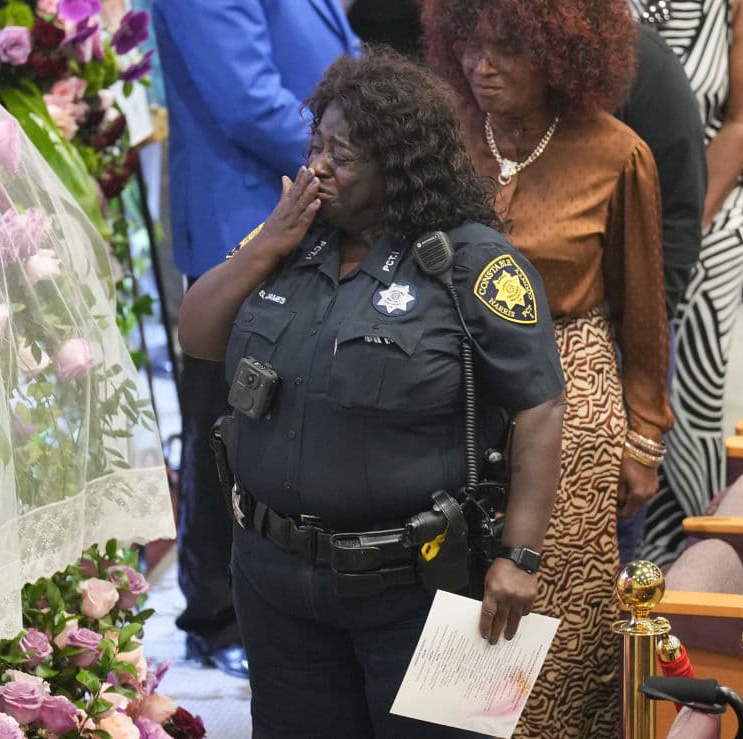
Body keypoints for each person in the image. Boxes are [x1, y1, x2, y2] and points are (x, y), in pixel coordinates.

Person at [179, 48, 566, 738]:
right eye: (317, 145)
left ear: (399, 165)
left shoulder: (474, 263)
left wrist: (520, 554)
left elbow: (540, 405)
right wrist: (268, 241)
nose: (319, 166)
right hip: (275, 578)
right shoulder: (290, 242)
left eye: (345, 155)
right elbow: (198, 335)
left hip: (432, 581)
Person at [422, 0, 675, 735]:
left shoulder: (617, 153)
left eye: (509, 48)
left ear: (564, 54)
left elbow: (644, 311)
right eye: (470, 44)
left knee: (553, 610)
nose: (482, 64)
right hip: (454, 389)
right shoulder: (441, 142)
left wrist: (645, 437)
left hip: (572, 394)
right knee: (461, 606)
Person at [151, 0, 359, 678]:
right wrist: (361, 156)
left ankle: (282, 603)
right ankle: (214, 615)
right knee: (227, 421)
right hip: (246, 211)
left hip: (316, 203)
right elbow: (248, 103)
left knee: (287, 419)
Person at [629, 0, 743, 567]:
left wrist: (678, 232)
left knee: (689, 410)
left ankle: (682, 577)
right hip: (610, 215)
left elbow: (741, 121)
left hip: (704, 213)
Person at [614, 23, 707, 562]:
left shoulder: (643, 65)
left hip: (628, 335)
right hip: (508, 342)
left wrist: (646, 325)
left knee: (617, 537)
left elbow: (678, 220)